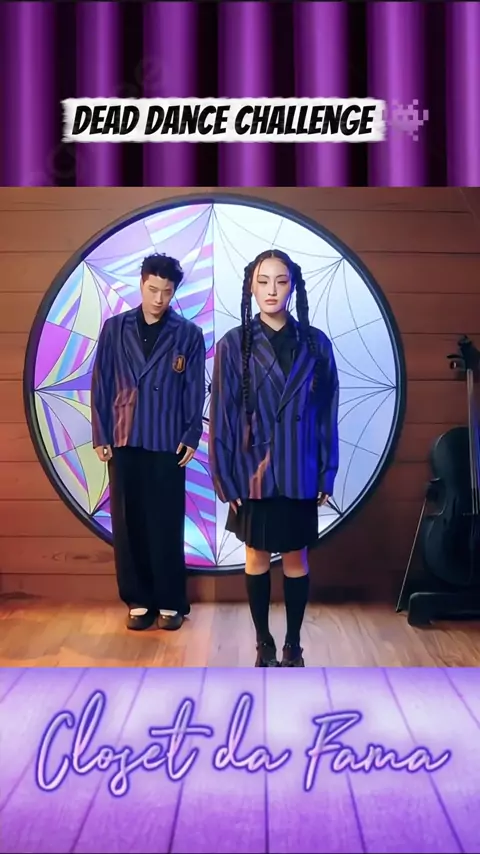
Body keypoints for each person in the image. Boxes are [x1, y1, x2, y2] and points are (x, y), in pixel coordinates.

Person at [209, 249, 339, 667]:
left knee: (297, 557)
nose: (272, 290)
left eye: (281, 281)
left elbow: (327, 413)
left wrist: (326, 472)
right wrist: (224, 478)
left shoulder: (316, 343)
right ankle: (263, 642)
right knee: (256, 556)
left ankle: (293, 645)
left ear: (293, 286)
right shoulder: (233, 344)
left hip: (300, 467)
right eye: (263, 281)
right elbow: (222, 414)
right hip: (253, 470)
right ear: (251, 286)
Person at [91, 253, 206, 632]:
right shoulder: (114, 329)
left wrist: (191, 434)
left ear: (174, 291)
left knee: (166, 522)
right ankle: (138, 600)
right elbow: (101, 382)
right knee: (127, 523)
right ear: (141, 284)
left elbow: (194, 390)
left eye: (166, 292)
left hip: (167, 438)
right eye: (153, 289)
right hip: (123, 435)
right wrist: (101, 433)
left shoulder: (188, 334)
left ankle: (171, 601)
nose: (159, 298)